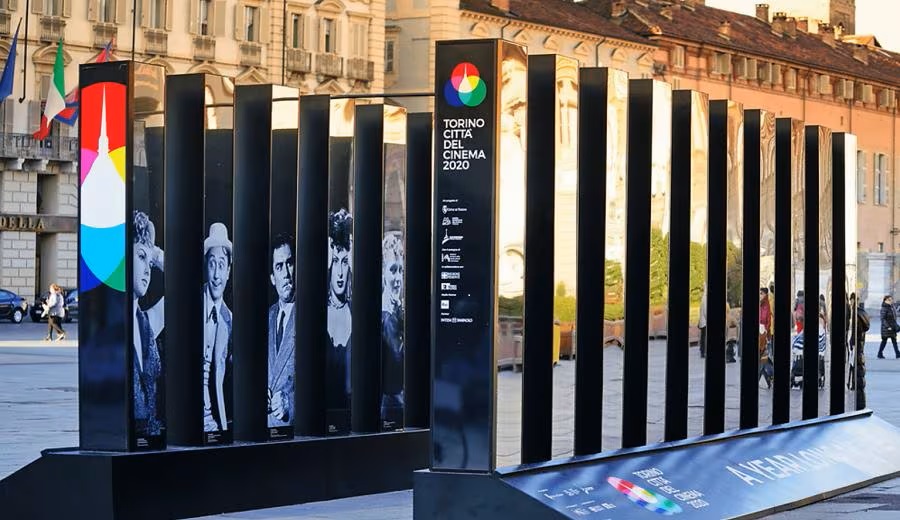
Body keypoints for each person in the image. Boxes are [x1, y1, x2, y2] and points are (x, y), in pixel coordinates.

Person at [132, 211, 165, 437]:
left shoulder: (146, 322)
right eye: (141, 257)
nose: (147, 270)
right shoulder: (110, 322)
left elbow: (184, 283)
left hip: (150, 442)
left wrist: (156, 254)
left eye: (150, 264)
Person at [203, 222, 233, 433]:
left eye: (221, 266)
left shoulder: (229, 319)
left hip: (214, 422)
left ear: (229, 271)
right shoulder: (190, 302)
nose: (216, 275)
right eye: (212, 264)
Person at [267, 233, 295, 428]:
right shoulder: (267, 317)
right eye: (279, 266)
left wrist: (291, 402)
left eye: (289, 263)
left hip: (293, 431)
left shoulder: (310, 317)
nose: (286, 273)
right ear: (272, 278)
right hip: (265, 431)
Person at [326, 209, 352, 415]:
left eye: (345, 262)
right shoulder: (315, 313)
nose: (340, 273)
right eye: (335, 261)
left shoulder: (356, 314)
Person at [381, 232, 405, 424]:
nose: (398, 278)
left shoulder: (400, 310)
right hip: (389, 403)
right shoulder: (384, 314)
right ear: (383, 273)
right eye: (393, 270)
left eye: (400, 271)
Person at [758, 287, 773, 388]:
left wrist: (765, 331)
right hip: (760, 333)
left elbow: (768, 321)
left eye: (761, 293)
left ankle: (769, 376)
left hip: (764, 334)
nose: (760, 295)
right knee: (763, 358)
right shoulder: (760, 304)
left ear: (765, 294)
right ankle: (769, 378)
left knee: (763, 358)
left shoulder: (767, 305)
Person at [698, 284, 707, 358]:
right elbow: (705, 311)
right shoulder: (705, 298)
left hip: (703, 321)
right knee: (704, 337)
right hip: (705, 322)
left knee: (703, 336)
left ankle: (702, 350)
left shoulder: (703, 297)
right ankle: (703, 351)